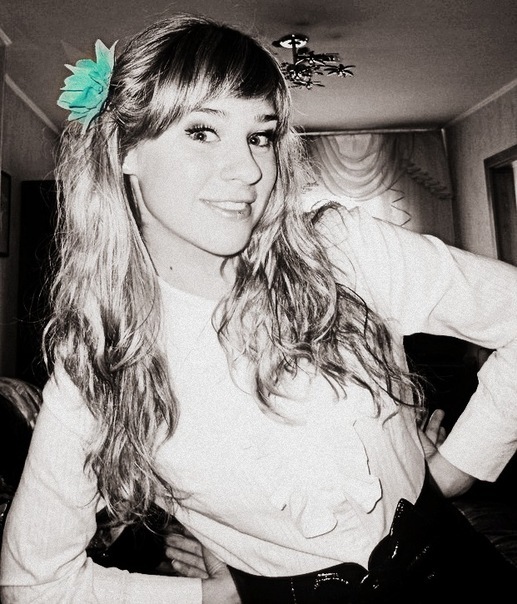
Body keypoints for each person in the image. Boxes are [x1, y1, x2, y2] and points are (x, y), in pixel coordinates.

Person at [1, 12, 517, 604]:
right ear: (125, 149)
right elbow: (32, 581)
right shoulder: (102, 363)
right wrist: (211, 597)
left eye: (260, 135)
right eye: (202, 131)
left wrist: (456, 468)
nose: (249, 170)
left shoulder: (342, 252)